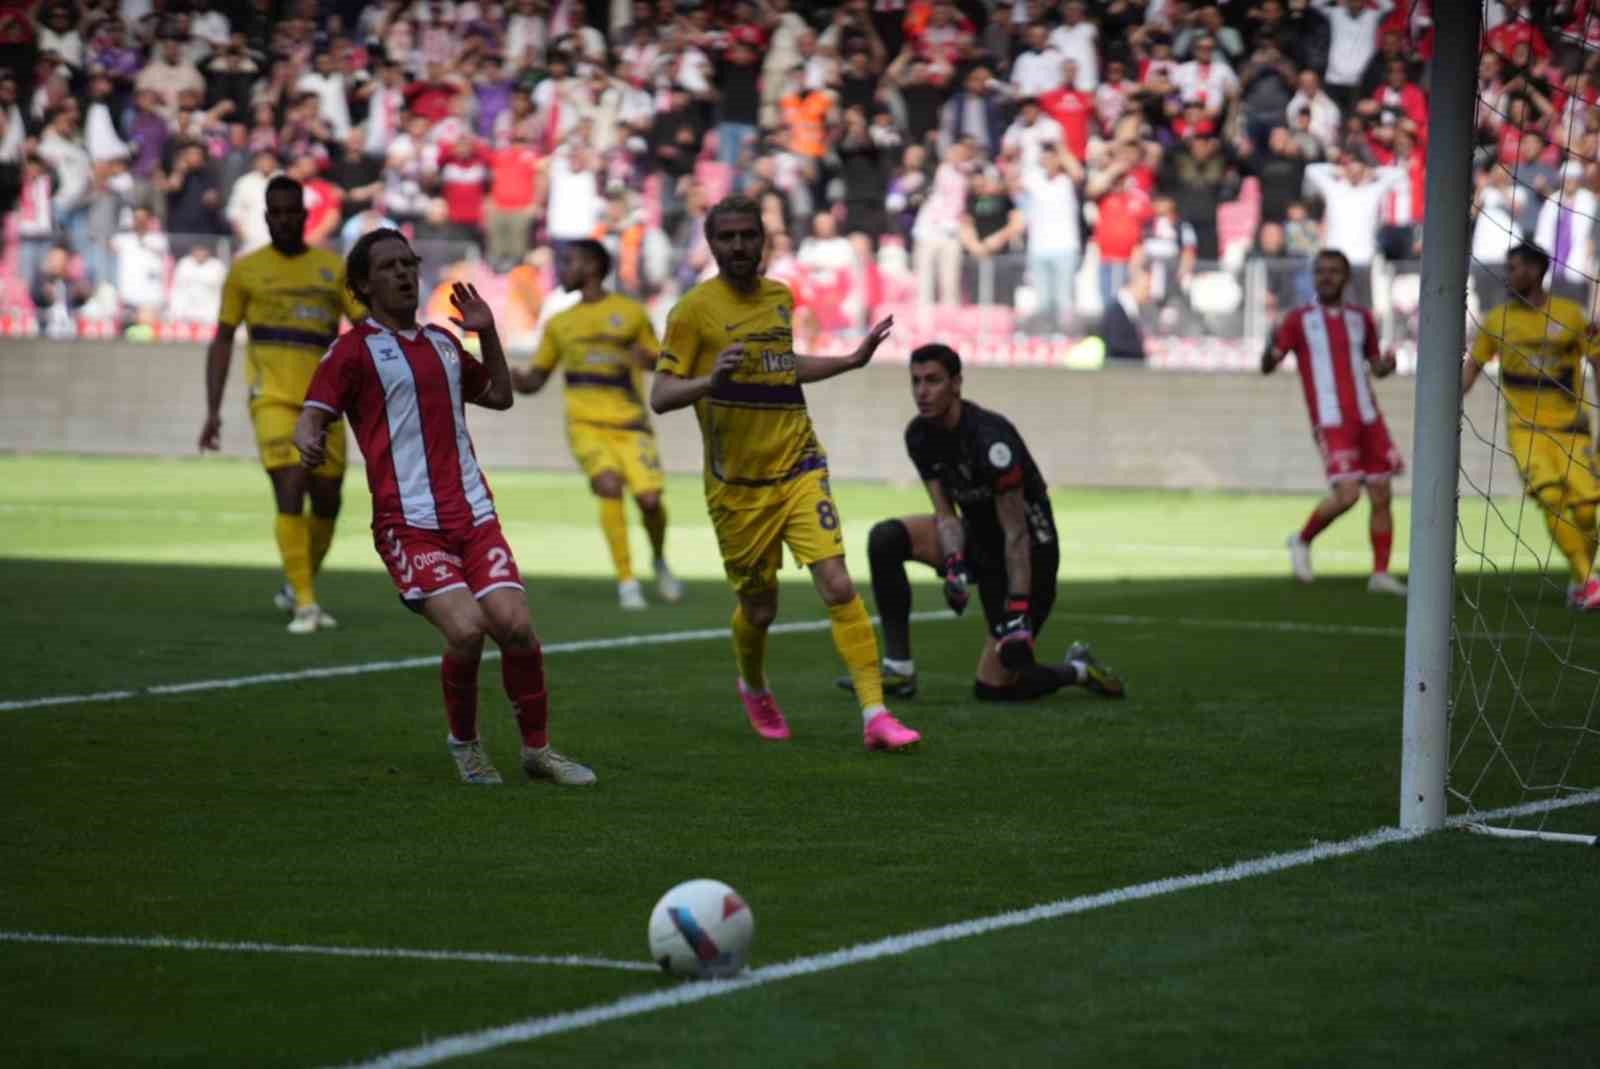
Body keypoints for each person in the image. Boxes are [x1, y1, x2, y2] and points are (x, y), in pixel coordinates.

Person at [292, 228, 594, 787]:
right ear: (362, 285)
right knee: (467, 630)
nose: (405, 273)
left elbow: (501, 396)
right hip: (409, 527)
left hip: (474, 517)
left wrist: (490, 335)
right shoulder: (353, 350)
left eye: (409, 263)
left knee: (518, 627)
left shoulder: (444, 343)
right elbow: (314, 411)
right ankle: (466, 746)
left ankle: (538, 752)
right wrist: (307, 435)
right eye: (389, 267)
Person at [651, 195, 921, 752]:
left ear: (764, 239)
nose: (739, 246)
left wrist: (849, 360)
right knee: (760, 608)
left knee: (838, 582)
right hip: (739, 488)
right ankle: (752, 685)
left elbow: (785, 366)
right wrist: (708, 383)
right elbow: (660, 396)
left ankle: (875, 714)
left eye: (748, 235)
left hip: (799, 464)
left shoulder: (780, 297)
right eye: (726, 237)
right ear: (711, 244)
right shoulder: (692, 313)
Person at [846, 343, 1125, 703]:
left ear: (957, 383)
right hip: (977, 537)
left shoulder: (990, 441)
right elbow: (946, 515)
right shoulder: (919, 435)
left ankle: (1079, 669)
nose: (922, 392)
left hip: (1028, 558)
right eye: (915, 381)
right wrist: (953, 565)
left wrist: (1018, 608)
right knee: (885, 539)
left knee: (995, 687)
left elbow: (1017, 533)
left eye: (933, 381)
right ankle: (899, 670)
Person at [199, 175, 364, 634]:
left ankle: (297, 582)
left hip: (326, 404)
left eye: (294, 212)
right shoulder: (245, 271)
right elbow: (222, 340)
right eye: (278, 212)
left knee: (328, 500)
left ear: (306, 217)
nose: (286, 219)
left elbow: (366, 330)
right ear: (267, 216)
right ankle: (306, 605)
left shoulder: (334, 269)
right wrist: (213, 410)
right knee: (291, 487)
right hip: (271, 399)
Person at [510, 239, 683, 611]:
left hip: (632, 424)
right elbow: (536, 379)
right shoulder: (559, 323)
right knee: (608, 485)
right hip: (586, 424)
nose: (563, 269)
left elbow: (660, 361)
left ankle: (659, 560)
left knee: (650, 501)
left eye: (569, 262)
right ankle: (627, 582)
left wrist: (648, 358)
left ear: (591, 266)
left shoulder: (631, 313)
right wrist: (508, 376)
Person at [1463, 242, 1600, 610]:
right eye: (1509, 268)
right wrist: (1447, 405)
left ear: (1538, 271)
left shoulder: (1571, 315)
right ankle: (1589, 581)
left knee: (1587, 507)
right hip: (1526, 430)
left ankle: (1581, 578)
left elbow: (1598, 359)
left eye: (1517, 268)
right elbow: (1473, 365)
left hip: (1572, 427)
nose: (1510, 275)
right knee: (1550, 497)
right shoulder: (1496, 320)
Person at [1264, 249, 1406, 594]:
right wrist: (1270, 343)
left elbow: (1376, 366)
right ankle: (1301, 539)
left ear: (1346, 278)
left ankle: (1380, 574)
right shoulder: (1298, 320)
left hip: (1368, 417)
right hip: (1330, 420)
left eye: (1334, 271)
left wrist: (1387, 365)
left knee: (1381, 493)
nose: (1327, 277)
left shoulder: (1361, 318)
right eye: (1321, 271)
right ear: (1314, 277)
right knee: (1347, 495)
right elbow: (1269, 365)